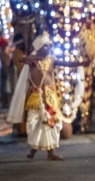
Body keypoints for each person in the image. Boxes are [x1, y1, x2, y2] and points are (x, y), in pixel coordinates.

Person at [8, 32, 80, 160]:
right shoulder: (32, 60)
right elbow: (20, 59)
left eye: (49, 46)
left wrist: (80, 63)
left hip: (51, 97)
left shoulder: (52, 60)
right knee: (33, 123)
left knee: (51, 125)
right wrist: (28, 59)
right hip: (36, 97)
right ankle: (33, 149)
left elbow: (65, 63)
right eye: (46, 46)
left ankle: (51, 153)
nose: (48, 48)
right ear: (39, 48)